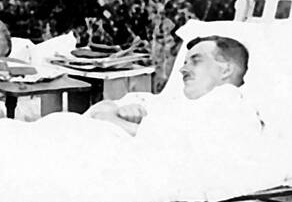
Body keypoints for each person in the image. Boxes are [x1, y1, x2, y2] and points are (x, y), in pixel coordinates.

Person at [87, 36, 252, 136]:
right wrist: (121, 112)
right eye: (185, 62)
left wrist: (111, 120)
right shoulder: (182, 104)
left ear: (226, 70)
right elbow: (104, 107)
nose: (182, 69)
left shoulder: (228, 103)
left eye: (196, 61)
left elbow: (173, 144)